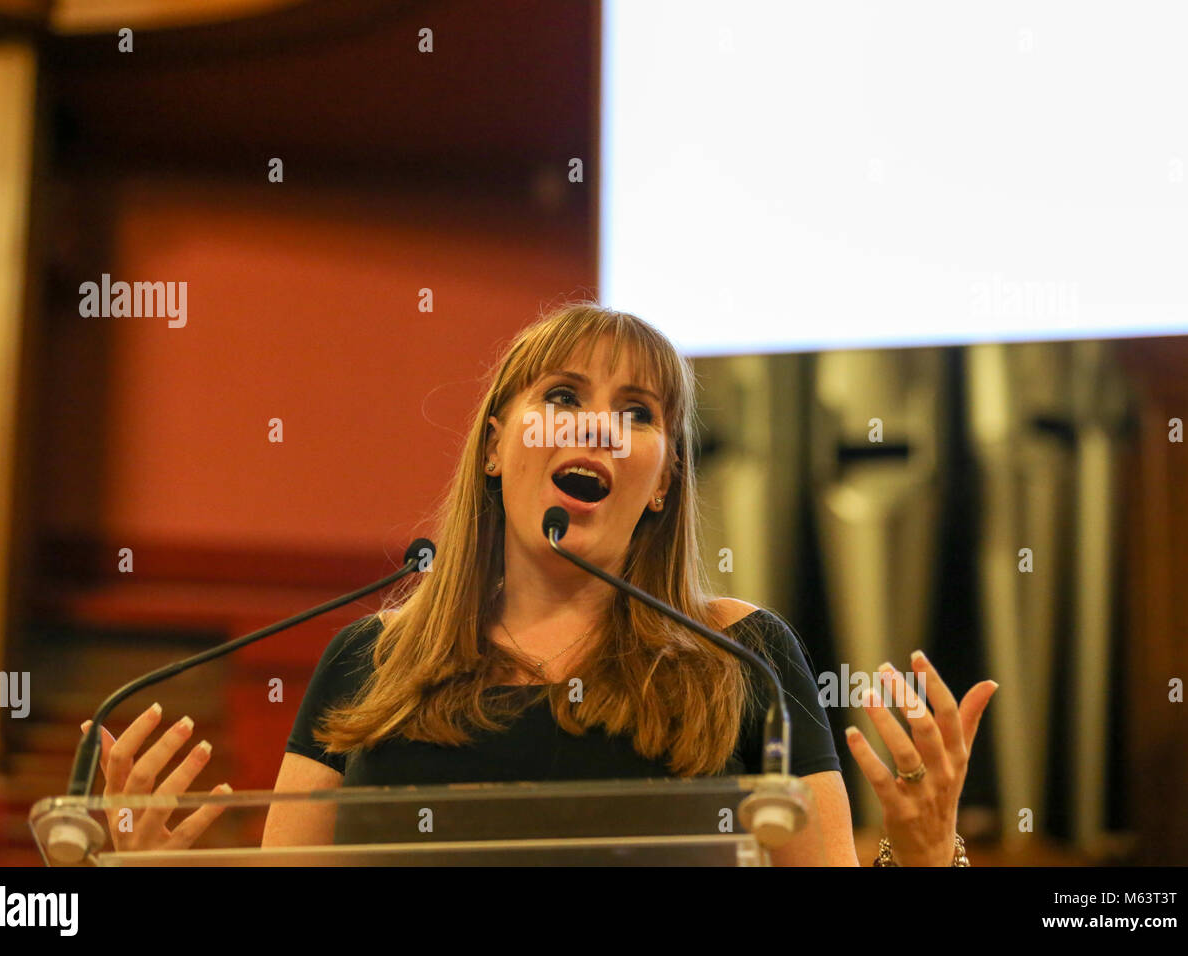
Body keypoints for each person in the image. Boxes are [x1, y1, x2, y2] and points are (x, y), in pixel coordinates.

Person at [80, 302, 997, 866]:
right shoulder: (368, 661)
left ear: (665, 479)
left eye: (636, 414)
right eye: (563, 398)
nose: (596, 433)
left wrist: (926, 856)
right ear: (492, 446)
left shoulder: (742, 656)